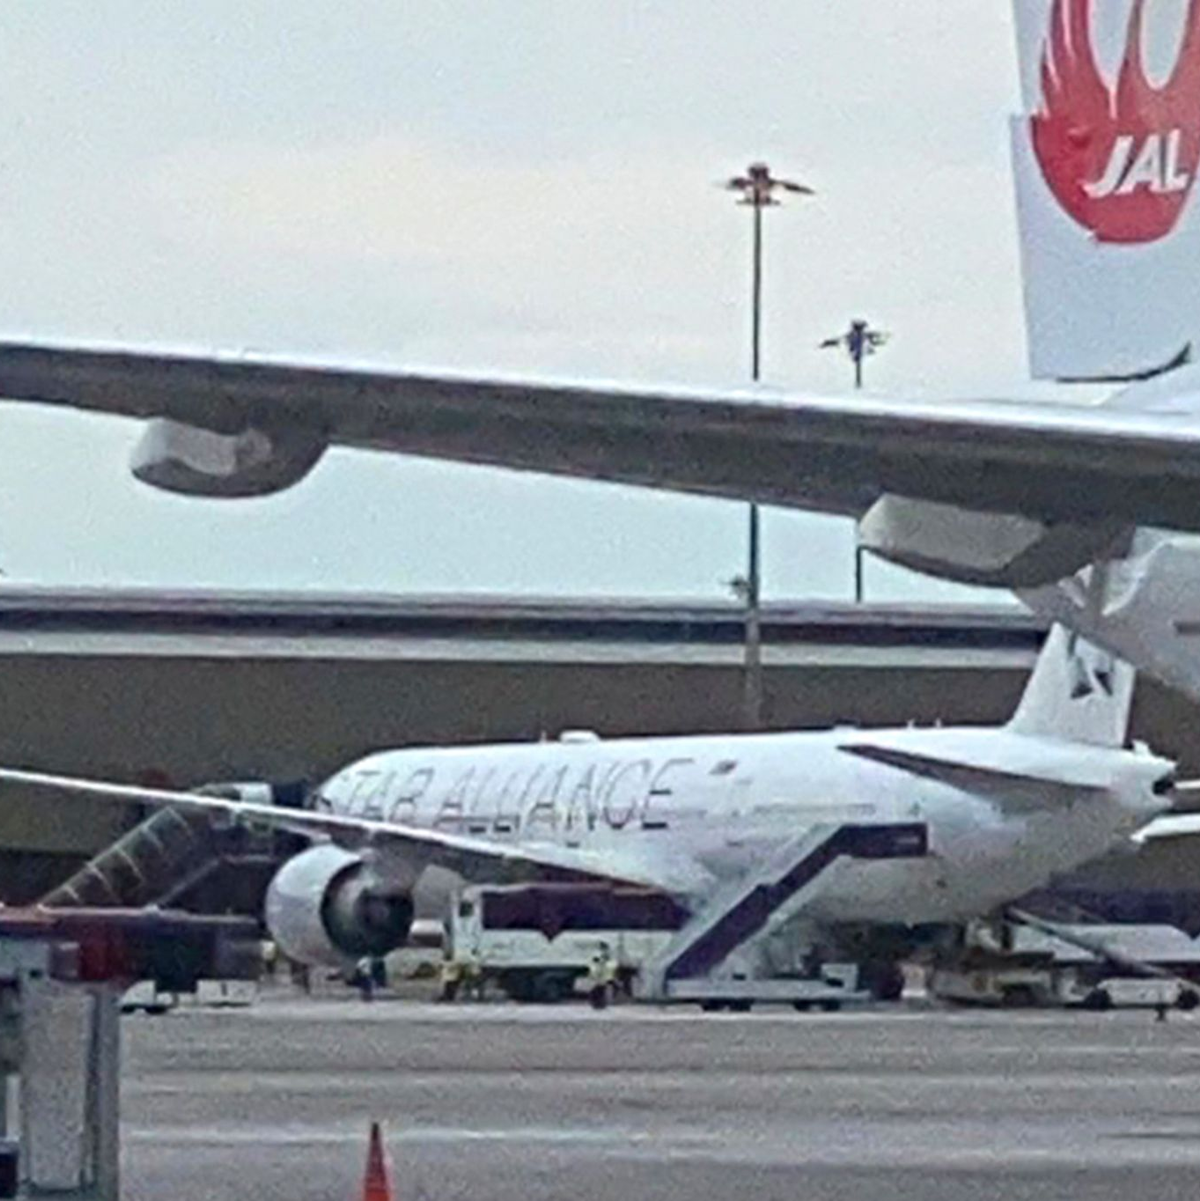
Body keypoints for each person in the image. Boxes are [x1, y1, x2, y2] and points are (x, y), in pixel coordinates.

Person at [587, 941, 617, 1010]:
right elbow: (595, 962)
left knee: (600, 989)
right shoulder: (602, 954)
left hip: (601, 975)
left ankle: (599, 1004)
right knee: (600, 990)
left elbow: (606, 963)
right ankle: (599, 1004)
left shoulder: (605, 954)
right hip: (601, 975)